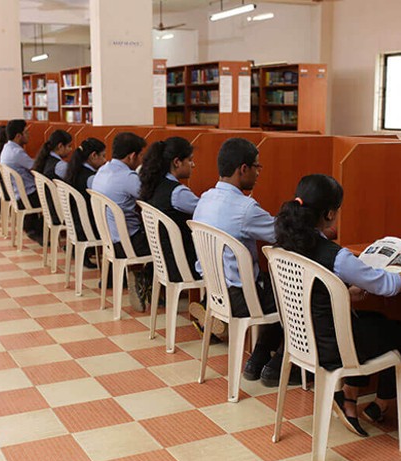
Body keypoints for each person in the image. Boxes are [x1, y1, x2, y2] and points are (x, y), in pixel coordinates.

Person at [274, 174, 401, 437]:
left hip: (301, 340)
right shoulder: (337, 257)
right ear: (331, 213)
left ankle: (348, 397)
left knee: (370, 324)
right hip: (332, 348)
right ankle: (380, 405)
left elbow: (313, 291)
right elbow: (390, 286)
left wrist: (343, 292)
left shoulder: (285, 244)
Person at [192, 137, 291, 387]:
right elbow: (281, 234)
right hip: (241, 298)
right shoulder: (245, 208)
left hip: (215, 292)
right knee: (294, 293)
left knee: (275, 284)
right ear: (243, 169)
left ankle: (257, 359)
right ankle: (279, 363)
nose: (259, 173)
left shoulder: (205, 198)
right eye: (257, 167)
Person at [91, 132, 150, 311]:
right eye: (140, 156)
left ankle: (138, 274)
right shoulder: (128, 178)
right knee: (167, 243)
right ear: (132, 156)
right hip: (129, 244)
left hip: (109, 240)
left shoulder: (102, 171)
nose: (140, 160)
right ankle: (147, 282)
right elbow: (150, 198)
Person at [139, 137, 199, 283]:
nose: (193, 164)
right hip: (182, 265)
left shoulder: (154, 183)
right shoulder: (178, 193)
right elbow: (206, 212)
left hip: (163, 261)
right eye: (190, 160)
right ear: (177, 162)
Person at [63, 138, 107, 269]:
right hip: (88, 227)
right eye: (103, 156)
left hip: (76, 224)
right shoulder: (90, 178)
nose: (105, 160)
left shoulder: (75, 170)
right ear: (93, 156)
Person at [0, 119, 42, 242]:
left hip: (17, 194)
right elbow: (36, 167)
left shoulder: (7, 148)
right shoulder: (16, 152)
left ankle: (37, 227)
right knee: (57, 196)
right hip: (27, 196)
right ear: (19, 136)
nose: (29, 135)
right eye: (26, 132)